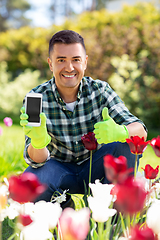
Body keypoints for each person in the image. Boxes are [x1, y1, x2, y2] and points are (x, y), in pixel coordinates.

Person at [20, 30, 147, 205]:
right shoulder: (36, 98)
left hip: (97, 168)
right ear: (51, 64)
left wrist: (120, 131)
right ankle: (63, 208)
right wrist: (38, 142)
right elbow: (37, 160)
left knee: (126, 146)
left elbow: (141, 131)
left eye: (76, 60)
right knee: (31, 180)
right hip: (59, 170)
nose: (69, 67)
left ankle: (108, 217)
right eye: (61, 60)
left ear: (85, 62)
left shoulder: (100, 91)